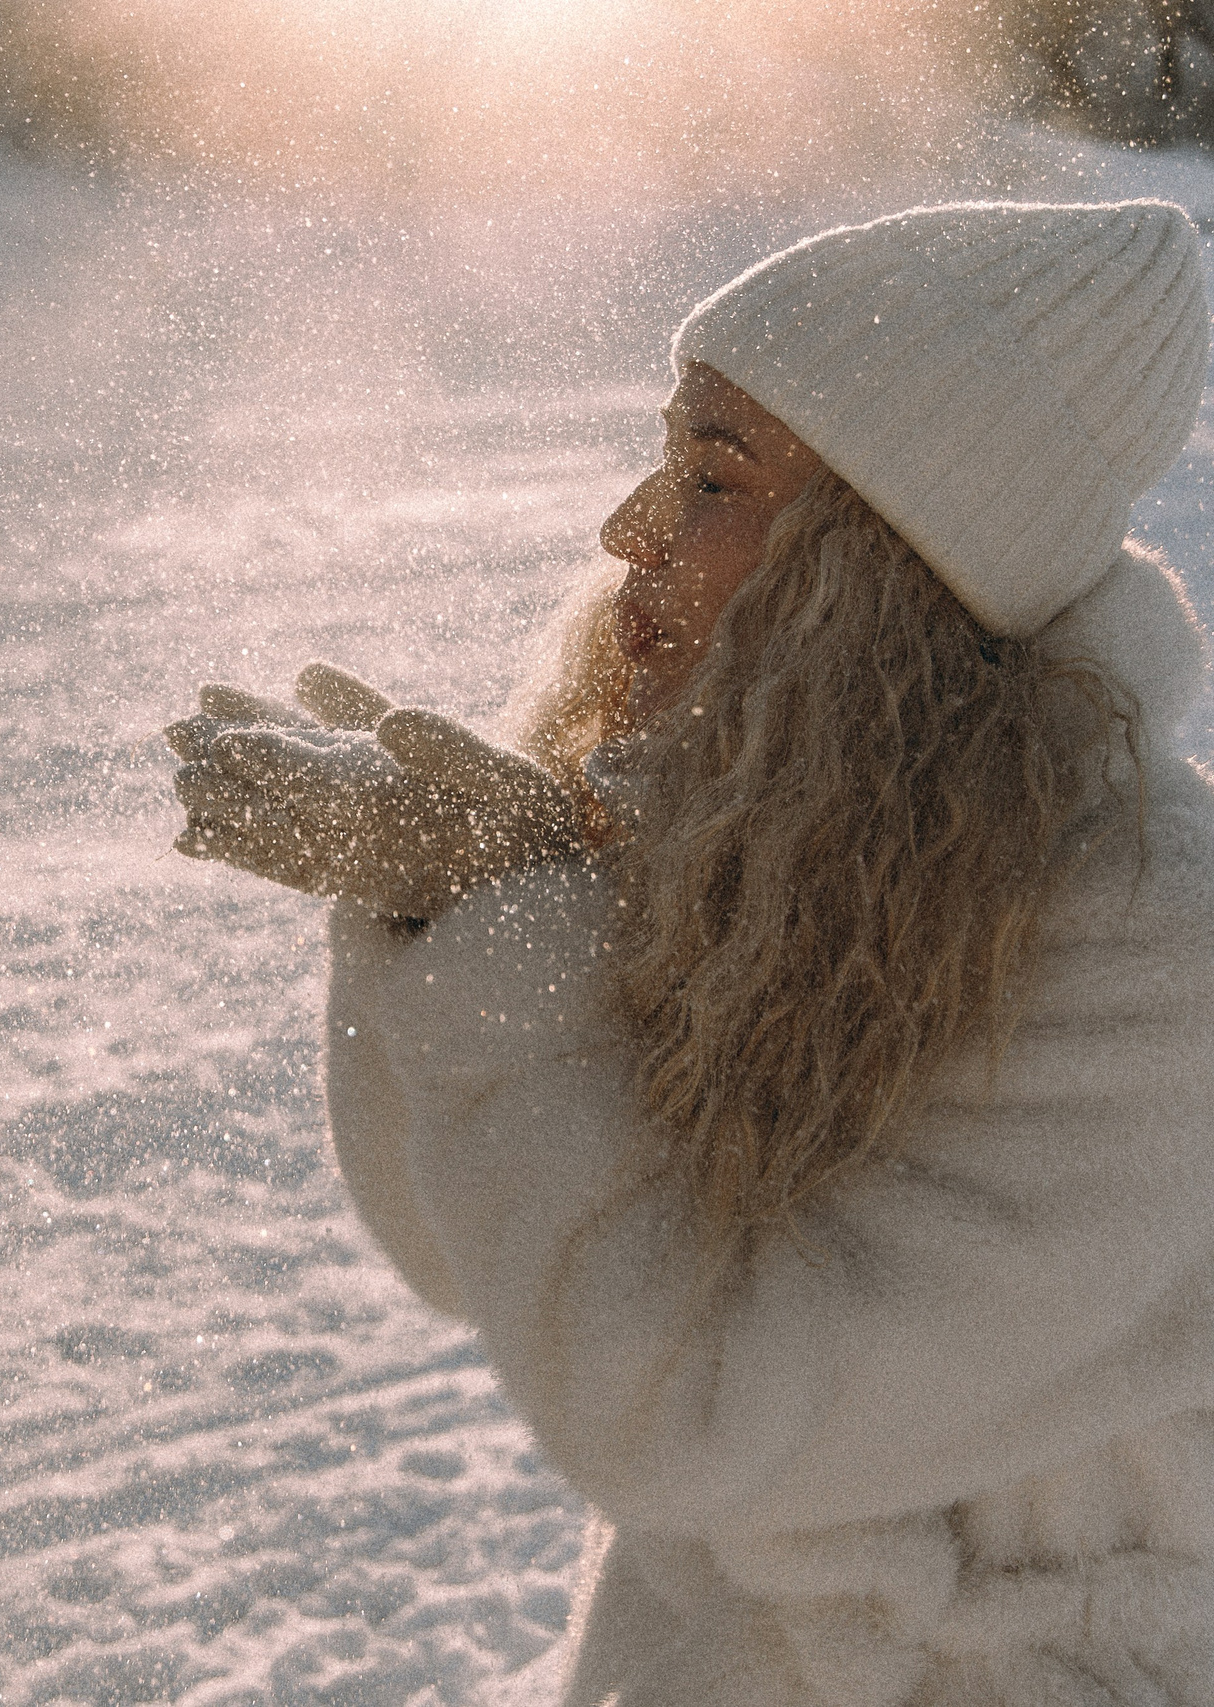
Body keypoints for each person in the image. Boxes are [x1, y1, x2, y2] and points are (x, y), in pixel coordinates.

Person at [169, 199, 1214, 1702]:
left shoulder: (1152, 956)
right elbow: (470, 1258)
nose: (630, 533)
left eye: (709, 476)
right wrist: (425, 904)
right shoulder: (770, 837)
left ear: (882, 552)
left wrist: (498, 929)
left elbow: (700, 1408)